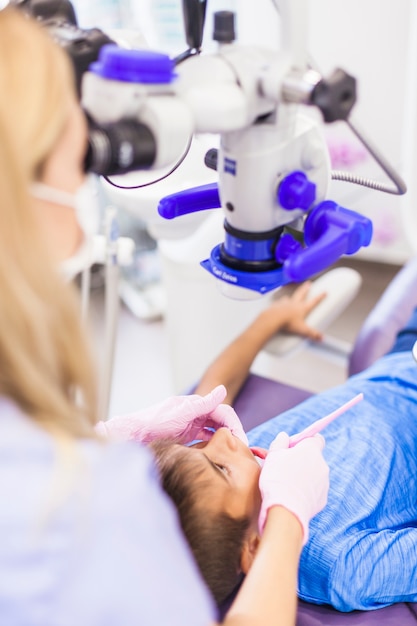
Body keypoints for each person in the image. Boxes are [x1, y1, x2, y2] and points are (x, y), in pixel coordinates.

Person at [0, 7, 330, 626]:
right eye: (74, 177)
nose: (78, 221)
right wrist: (288, 518)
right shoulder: (99, 511)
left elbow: (203, 395)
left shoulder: (129, 473)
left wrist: (262, 326)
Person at [151, 292, 417, 614]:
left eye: (197, 446)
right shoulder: (339, 565)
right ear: (252, 548)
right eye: (221, 469)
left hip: (401, 357)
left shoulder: (250, 456)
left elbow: (214, 390)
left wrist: (270, 320)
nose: (223, 437)